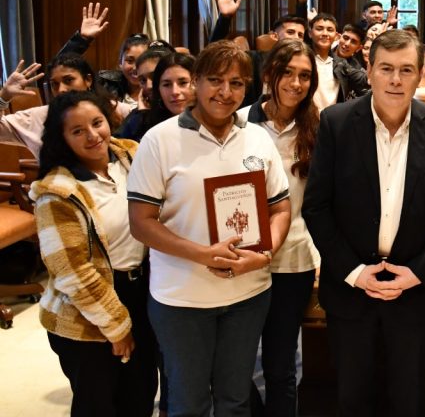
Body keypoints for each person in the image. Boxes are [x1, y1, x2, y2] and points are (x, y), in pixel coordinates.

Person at [302, 29, 425, 416]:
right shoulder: (336, 123)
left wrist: (419, 272)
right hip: (350, 290)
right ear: (368, 69)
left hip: (413, 292)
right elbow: (317, 207)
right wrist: (355, 272)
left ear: (420, 75)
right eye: (387, 69)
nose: (396, 80)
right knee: (352, 400)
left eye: (406, 70)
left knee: (408, 401)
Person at [127, 41, 292, 416]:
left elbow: (280, 208)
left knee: (235, 400)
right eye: (215, 80)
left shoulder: (256, 137)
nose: (225, 92)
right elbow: (141, 223)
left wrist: (264, 255)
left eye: (236, 83)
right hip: (182, 300)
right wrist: (202, 254)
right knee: (189, 403)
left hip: (247, 295)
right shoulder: (160, 140)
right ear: (197, 81)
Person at [32, 90, 158, 416]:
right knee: (98, 404)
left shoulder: (131, 155)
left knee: (140, 394)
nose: (93, 135)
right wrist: (116, 327)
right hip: (86, 312)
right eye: (77, 131)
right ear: (62, 140)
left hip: (140, 291)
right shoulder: (57, 192)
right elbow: (72, 271)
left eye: (97, 123)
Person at [235, 39, 320, 417]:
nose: (295, 83)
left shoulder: (320, 128)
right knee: (236, 362)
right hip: (243, 258)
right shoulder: (238, 123)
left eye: (305, 76)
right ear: (269, 74)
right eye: (287, 72)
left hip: (294, 259)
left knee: (281, 364)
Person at [0, 54, 133, 158]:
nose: (61, 89)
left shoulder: (116, 110)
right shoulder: (38, 117)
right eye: (54, 84)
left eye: (68, 80)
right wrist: (3, 97)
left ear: (88, 80)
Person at [116, 53, 195, 142]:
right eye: (166, 84)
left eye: (183, 83)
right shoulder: (141, 120)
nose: (175, 92)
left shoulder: (208, 121)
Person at [308, 12, 369, 111]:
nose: (324, 33)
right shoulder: (303, 58)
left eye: (330, 30)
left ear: (336, 36)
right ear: (310, 33)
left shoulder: (341, 64)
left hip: (331, 121)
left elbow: (364, 80)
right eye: (319, 29)